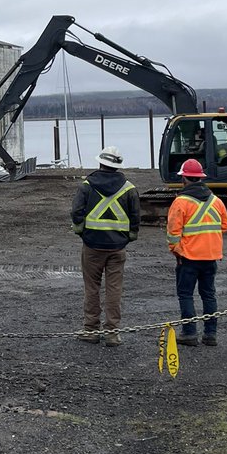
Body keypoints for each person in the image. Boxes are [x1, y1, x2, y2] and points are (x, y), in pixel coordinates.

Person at [70, 145, 141, 346]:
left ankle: (91, 329)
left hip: (92, 245)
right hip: (117, 247)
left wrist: (81, 231)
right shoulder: (129, 188)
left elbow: (76, 212)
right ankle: (112, 332)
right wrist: (129, 237)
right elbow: (135, 217)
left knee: (91, 288)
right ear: (118, 166)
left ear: (100, 163)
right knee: (114, 289)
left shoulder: (87, 185)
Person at [167, 158, 227, 346]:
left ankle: (189, 333)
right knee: (209, 295)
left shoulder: (180, 202)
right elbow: (224, 226)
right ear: (200, 178)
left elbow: (173, 233)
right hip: (211, 257)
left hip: (188, 258)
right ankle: (210, 335)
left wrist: (177, 251)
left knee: (186, 295)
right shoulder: (216, 201)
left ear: (184, 179)